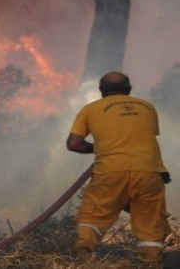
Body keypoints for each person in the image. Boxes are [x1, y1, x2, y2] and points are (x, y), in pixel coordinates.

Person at [66, 71, 171, 268]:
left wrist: (98, 148)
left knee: (93, 216)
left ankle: (83, 257)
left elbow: (74, 144)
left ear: (101, 91)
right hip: (150, 172)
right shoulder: (148, 107)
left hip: (111, 171)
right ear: (128, 90)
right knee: (150, 223)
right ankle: (151, 263)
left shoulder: (90, 109)